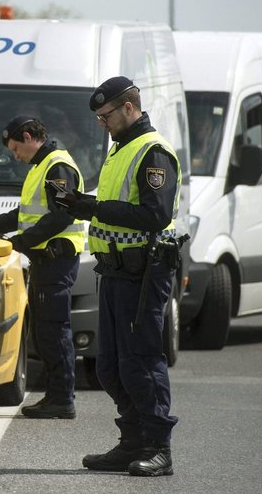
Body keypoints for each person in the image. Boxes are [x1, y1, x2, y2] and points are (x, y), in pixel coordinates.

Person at [55, 76, 180, 477]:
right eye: (97, 118)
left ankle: (159, 447)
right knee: (109, 366)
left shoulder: (152, 152)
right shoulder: (120, 149)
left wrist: (91, 208)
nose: (101, 123)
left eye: (105, 115)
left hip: (142, 274)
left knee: (141, 362)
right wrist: (79, 204)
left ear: (129, 107)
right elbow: (113, 207)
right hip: (115, 273)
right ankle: (133, 442)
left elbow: (154, 215)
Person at [0, 115, 85, 419]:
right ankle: (56, 396)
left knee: (54, 332)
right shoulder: (42, 166)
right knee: (46, 332)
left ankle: (62, 400)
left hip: (57, 260)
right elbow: (28, 211)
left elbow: (60, 216)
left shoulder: (57, 166)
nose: (15, 155)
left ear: (29, 137)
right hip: (47, 261)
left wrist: (21, 242)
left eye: (16, 148)